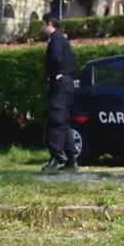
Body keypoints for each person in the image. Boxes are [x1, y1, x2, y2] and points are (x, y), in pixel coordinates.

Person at [42, 12, 78, 173]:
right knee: (64, 123)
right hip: (68, 84)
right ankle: (71, 159)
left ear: (50, 24)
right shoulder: (63, 39)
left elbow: (55, 59)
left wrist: (56, 73)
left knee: (56, 120)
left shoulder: (56, 39)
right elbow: (73, 60)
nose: (43, 28)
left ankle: (56, 157)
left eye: (44, 24)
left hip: (60, 85)